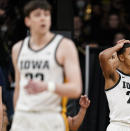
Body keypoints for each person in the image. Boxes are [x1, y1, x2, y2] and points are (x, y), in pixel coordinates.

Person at [10, 1, 82, 131]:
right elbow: (18, 90)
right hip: (23, 118)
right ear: (27, 21)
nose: (43, 18)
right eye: (37, 15)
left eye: (46, 14)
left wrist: (47, 86)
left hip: (50, 117)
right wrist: (17, 115)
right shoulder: (18, 48)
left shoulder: (64, 46)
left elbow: (76, 89)